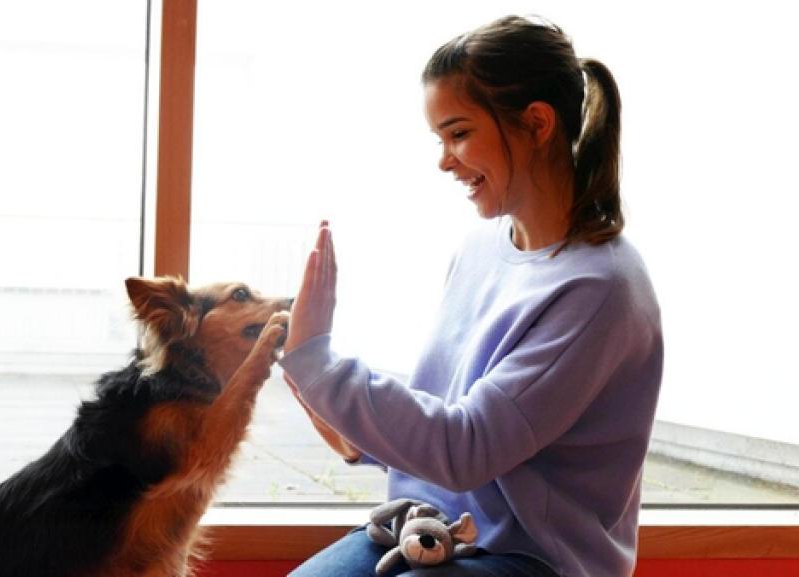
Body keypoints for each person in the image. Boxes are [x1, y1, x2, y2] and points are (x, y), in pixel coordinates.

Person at [279, 15, 663, 577]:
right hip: (428, 525)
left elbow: (467, 448)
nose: (444, 159)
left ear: (536, 124)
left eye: (458, 134)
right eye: (440, 139)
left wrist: (320, 365)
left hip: (532, 556)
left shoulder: (600, 287)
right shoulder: (481, 247)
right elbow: (449, 410)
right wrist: (355, 435)